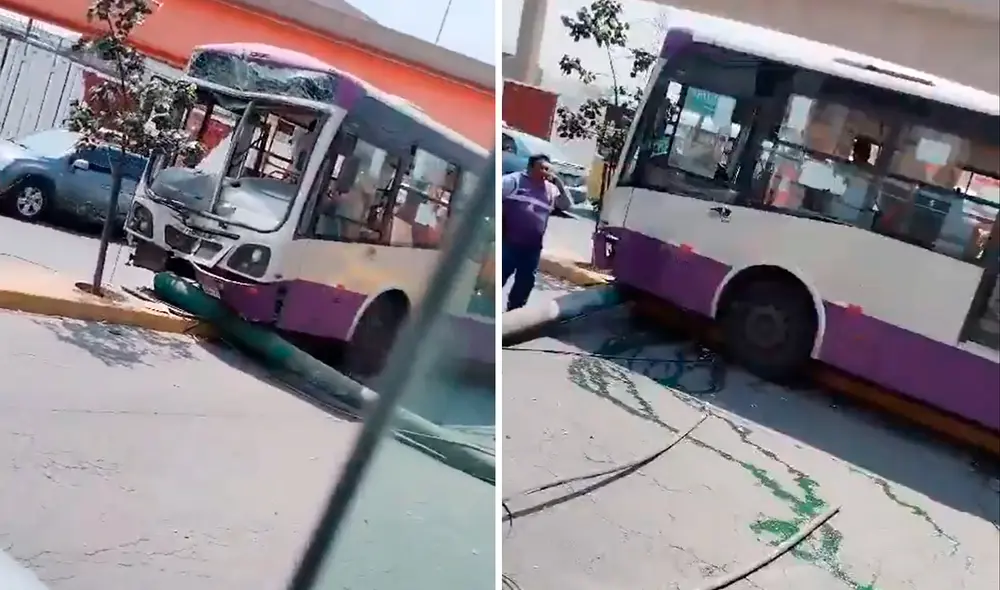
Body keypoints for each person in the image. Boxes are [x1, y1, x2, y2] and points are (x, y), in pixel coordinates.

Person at [501, 154, 572, 311]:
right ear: (530, 168)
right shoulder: (513, 181)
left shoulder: (551, 190)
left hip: (532, 247)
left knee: (525, 282)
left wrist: (559, 183)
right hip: (509, 243)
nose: (545, 172)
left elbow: (566, 205)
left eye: (548, 169)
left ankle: (514, 312)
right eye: (542, 168)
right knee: (499, 276)